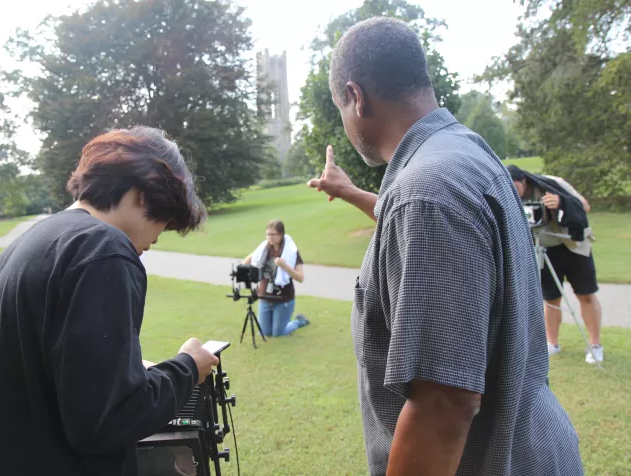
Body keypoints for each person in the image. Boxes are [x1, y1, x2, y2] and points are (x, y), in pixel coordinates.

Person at [307, 17, 582, 476]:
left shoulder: (427, 193)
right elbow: (424, 231)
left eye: (339, 106)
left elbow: (445, 406)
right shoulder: (463, 154)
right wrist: (354, 192)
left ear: (356, 97)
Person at [0, 126, 220, 476]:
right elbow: (107, 420)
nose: (158, 236)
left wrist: (130, 372)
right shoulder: (104, 250)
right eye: (166, 217)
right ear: (142, 192)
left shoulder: (36, 241)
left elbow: (59, 381)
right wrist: (187, 367)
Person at [507, 164, 603, 363]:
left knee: (585, 294)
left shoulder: (552, 183)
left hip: (573, 245)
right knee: (551, 299)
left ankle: (595, 345)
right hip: (545, 248)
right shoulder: (508, 195)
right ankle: (552, 343)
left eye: (514, 186)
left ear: (523, 180)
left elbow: (584, 206)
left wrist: (561, 202)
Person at [241, 220, 309, 337]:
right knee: (265, 333)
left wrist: (285, 266)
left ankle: (298, 321)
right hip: (264, 297)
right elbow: (245, 263)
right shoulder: (263, 250)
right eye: (268, 234)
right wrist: (252, 258)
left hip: (283, 299)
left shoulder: (291, 252)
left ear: (281, 235)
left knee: (278, 333)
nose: (270, 238)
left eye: (273, 234)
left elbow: (300, 278)